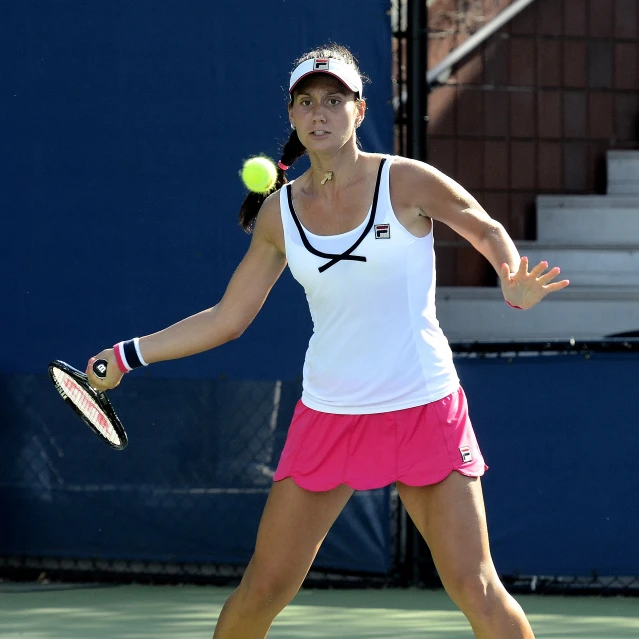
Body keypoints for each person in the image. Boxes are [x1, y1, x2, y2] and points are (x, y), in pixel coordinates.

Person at [87, 44, 569, 639]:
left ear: (359, 110)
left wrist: (510, 278)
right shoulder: (278, 215)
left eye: (334, 100)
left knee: (476, 588)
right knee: (261, 590)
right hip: (331, 415)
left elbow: (484, 225)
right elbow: (226, 318)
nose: (321, 113)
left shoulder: (407, 180)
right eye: (307, 102)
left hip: (424, 406)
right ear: (291, 115)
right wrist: (128, 354)